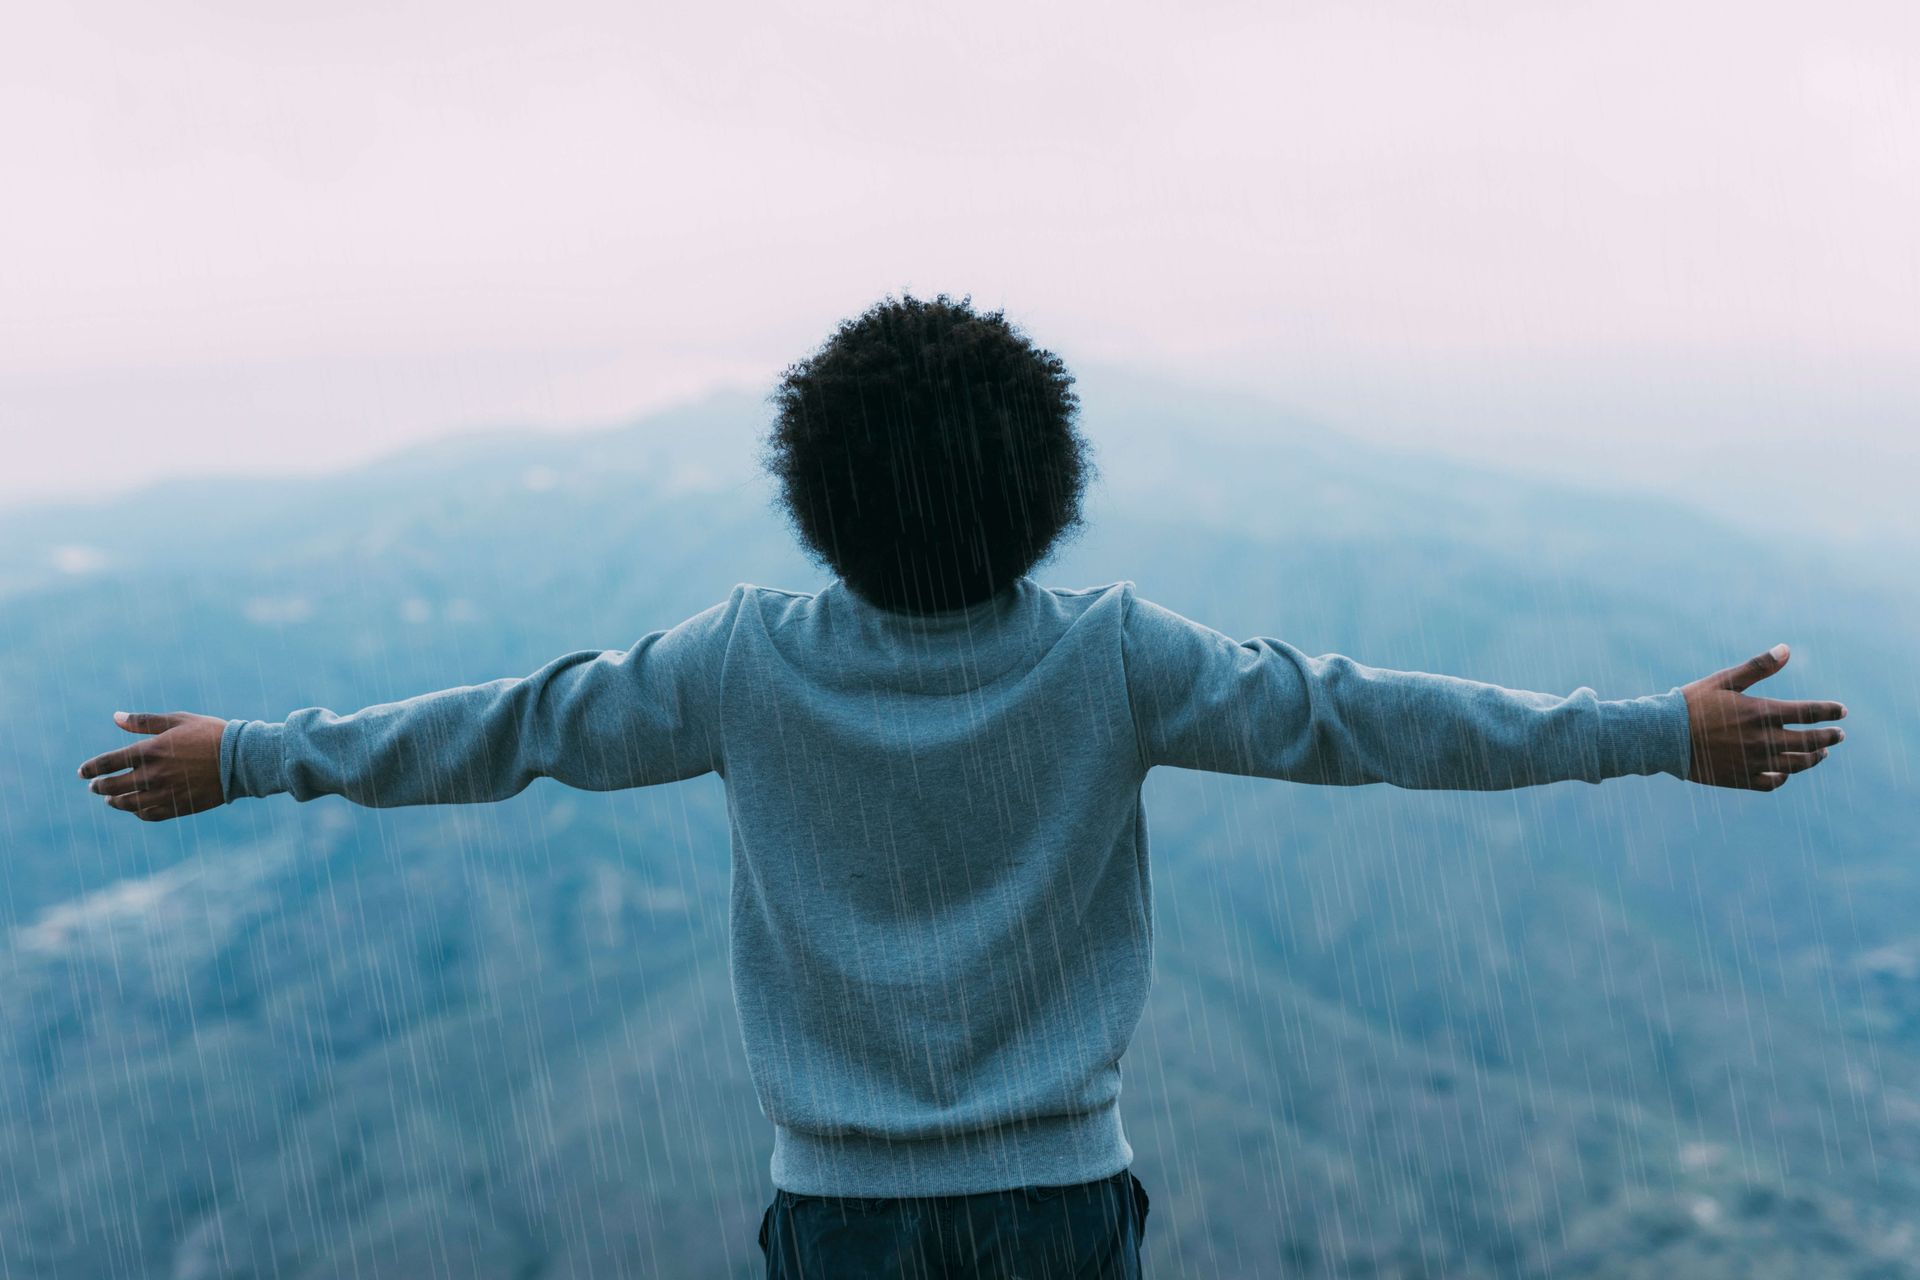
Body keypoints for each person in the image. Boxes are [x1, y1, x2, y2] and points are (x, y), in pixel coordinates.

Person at [76, 293, 1848, 1279]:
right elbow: (1374, 719)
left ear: (816, 491)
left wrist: (250, 757)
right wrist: (1652, 728)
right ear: (1045, 489)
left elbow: (503, 729)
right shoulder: (1118, 658)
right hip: (1064, 1207)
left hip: (838, 1214)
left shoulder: (742, 661)